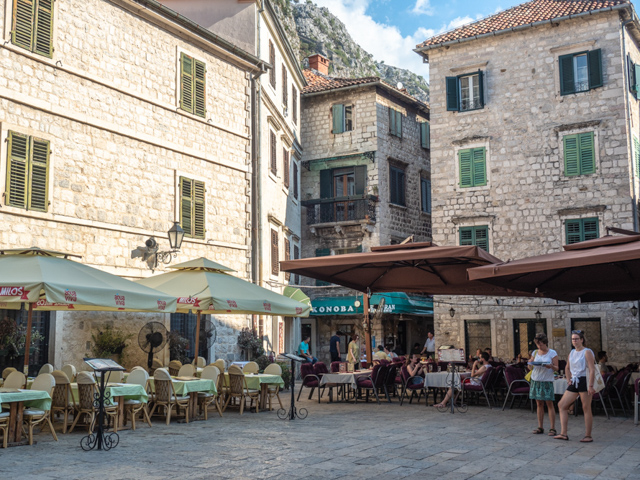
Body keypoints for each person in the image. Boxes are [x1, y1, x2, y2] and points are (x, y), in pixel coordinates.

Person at [554, 330, 596, 443]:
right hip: (574, 381)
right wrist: (568, 380)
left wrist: (590, 385)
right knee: (562, 405)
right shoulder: (572, 352)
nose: (574, 341)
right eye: (573, 339)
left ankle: (588, 435)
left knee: (586, 407)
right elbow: (567, 367)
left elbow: (592, 369)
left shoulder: (587, 352)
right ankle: (563, 433)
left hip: (584, 380)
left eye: (576, 339)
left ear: (581, 340)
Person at [528, 333, 559, 436]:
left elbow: (557, 368)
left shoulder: (552, 353)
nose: (539, 346)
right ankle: (540, 426)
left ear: (545, 343)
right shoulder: (535, 352)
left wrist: (550, 366)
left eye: (541, 344)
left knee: (549, 404)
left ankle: (552, 428)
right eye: (537, 344)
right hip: (536, 379)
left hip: (546, 380)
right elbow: (530, 368)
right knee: (539, 403)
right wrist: (530, 363)